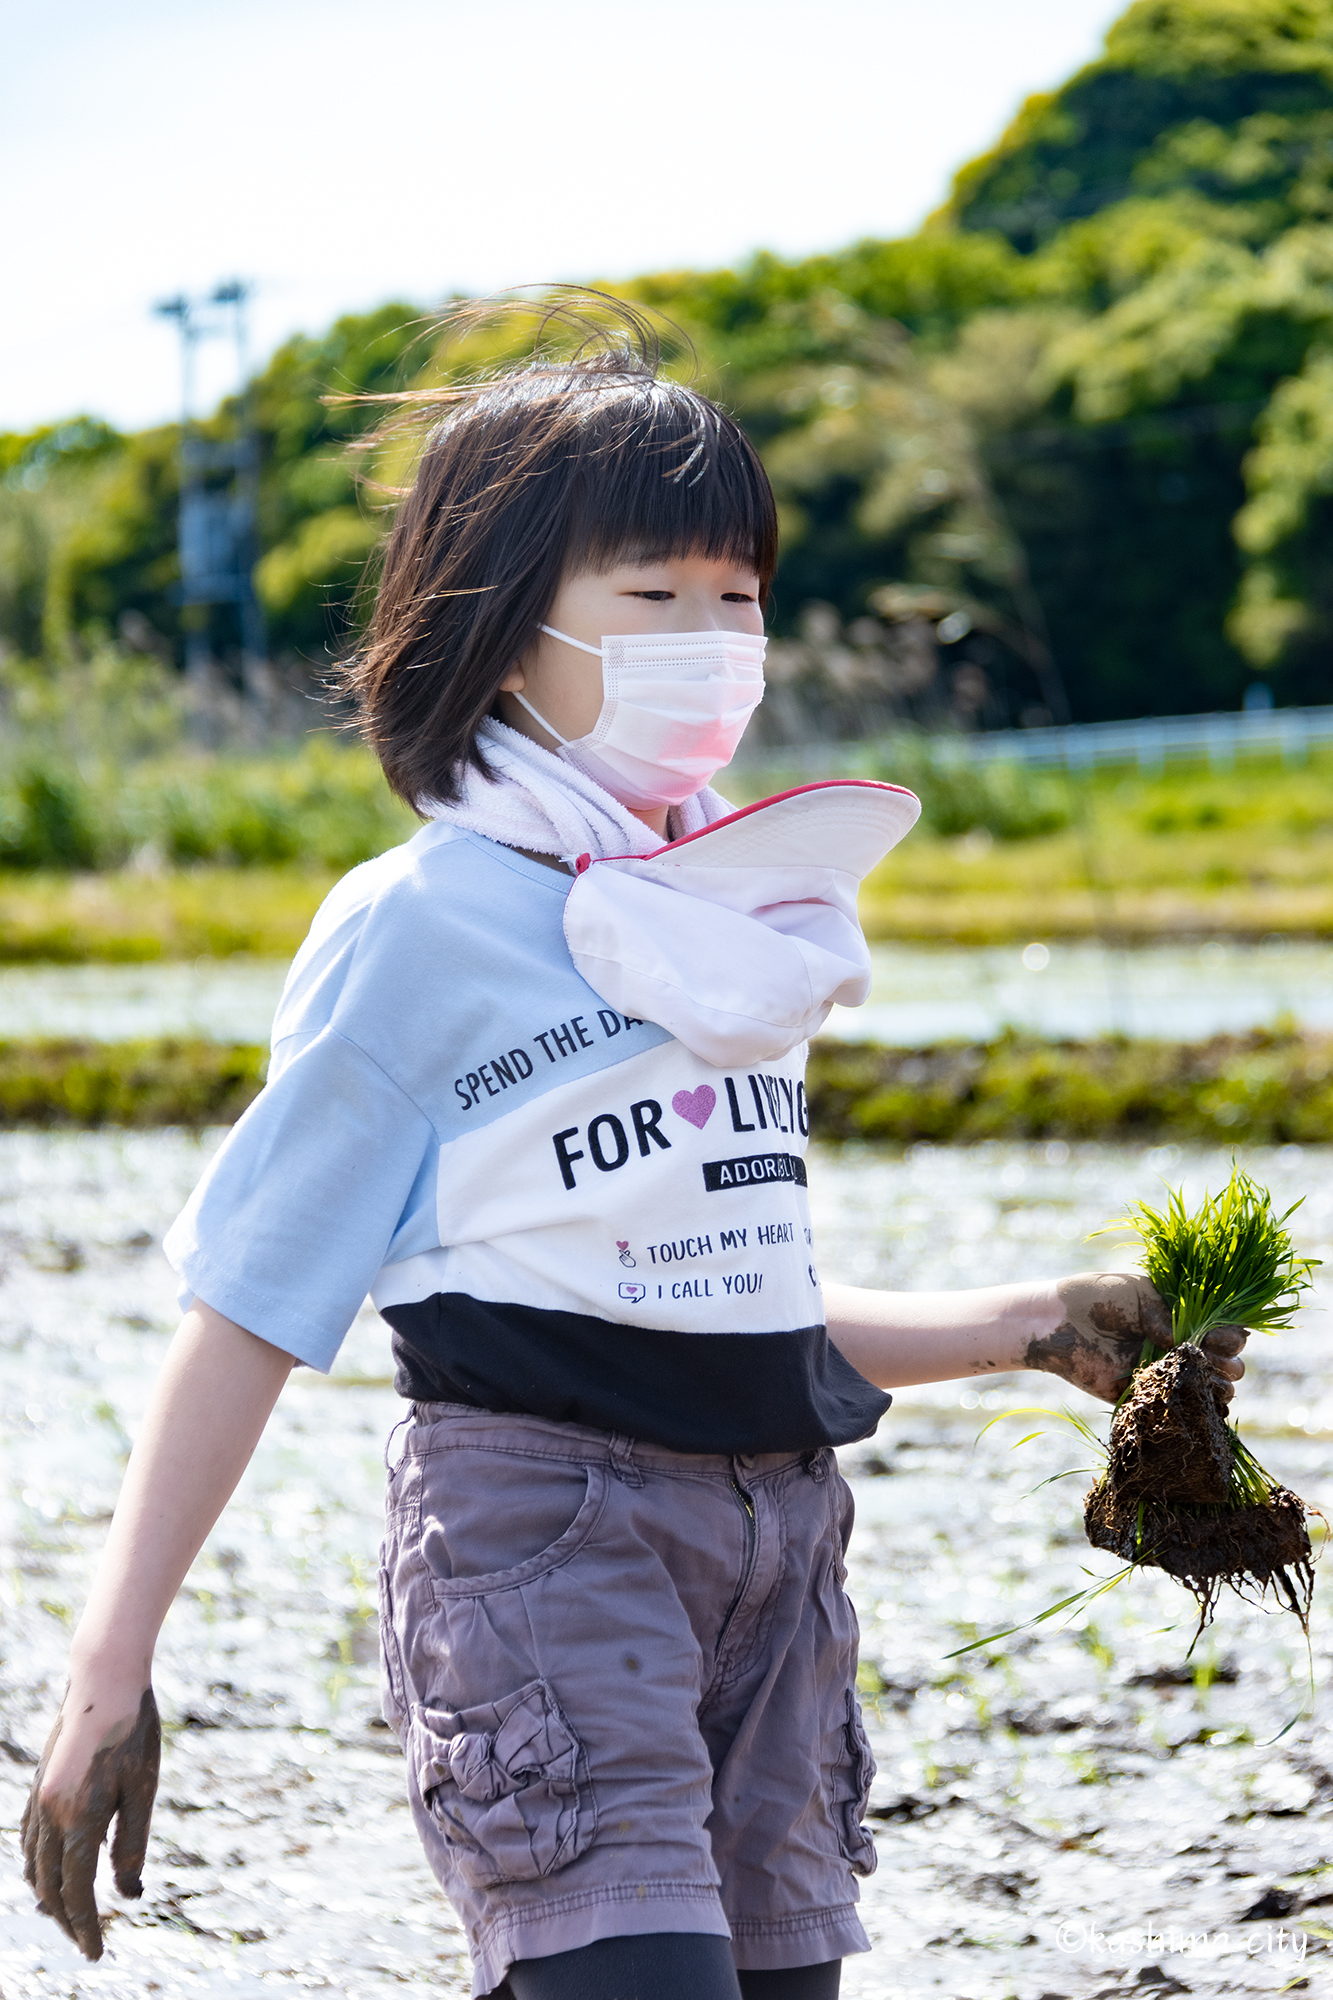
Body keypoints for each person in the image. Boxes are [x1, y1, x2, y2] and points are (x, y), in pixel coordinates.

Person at [20, 299, 1249, 2000]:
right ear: (504, 629)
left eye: (735, 596)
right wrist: (108, 1662)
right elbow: (246, 1306)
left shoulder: (729, 925)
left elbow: (725, 1303)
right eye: (653, 597)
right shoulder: (423, 928)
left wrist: (1030, 1324)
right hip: (549, 1546)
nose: (714, 636)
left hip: (779, 1559)